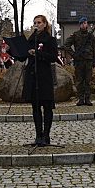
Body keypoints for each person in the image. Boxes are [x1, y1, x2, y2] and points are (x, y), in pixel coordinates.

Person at [21, 15, 58, 146]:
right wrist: (13, 51)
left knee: (47, 107)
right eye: (35, 22)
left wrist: (38, 53)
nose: (37, 24)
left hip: (44, 76)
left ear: (44, 24)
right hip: (32, 75)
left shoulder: (50, 39)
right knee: (35, 108)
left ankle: (46, 136)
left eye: (39, 22)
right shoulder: (32, 39)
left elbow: (53, 57)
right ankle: (38, 135)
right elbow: (23, 56)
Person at [64, 16, 95, 106]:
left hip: (88, 61)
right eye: (82, 23)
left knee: (88, 80)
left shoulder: (91, 35)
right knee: (79, 81)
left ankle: (87, 99)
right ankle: (81, 99)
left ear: (87, 24)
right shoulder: (75, 35)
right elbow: (66, 45)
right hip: (79, 61)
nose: (83, 25)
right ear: (80, 25)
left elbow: (94, 47)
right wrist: (74, 54)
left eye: (85, 23)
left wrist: (94, 59)